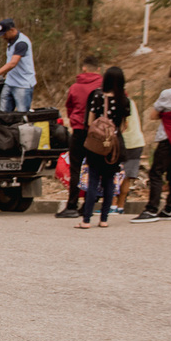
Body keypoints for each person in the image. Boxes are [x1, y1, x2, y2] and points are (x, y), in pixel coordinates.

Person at [133, 62, 171, 223]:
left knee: (156, 172)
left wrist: (165, 115)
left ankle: (151, 209)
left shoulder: (167, 94)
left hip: (167, 137)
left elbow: (153, 115)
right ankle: (170, 208)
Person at [78, 67, 130, 229]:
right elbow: (124, 126)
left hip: (96, 145)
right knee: (109, 182)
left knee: (93, 180)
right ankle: (104, 219)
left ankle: (86, 220)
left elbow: (89, 121)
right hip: (114, 147)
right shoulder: (124, 100)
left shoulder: (97, 96)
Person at [56, 56, 103, 219]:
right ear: (98, 69)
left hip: (78, 130)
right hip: (98, 132)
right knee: (95, 167)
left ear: (84, 68)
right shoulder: (103, 86)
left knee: (76, 167)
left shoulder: (75, 87)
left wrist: (74, 121)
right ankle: (89, 203)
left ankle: (72, 204)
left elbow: (69, 107)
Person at [0, 18, 36, 112]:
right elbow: (9, 61)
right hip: (10, 82)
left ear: (12, 30)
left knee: (22, 113)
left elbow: (13, 63)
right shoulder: (10, 41)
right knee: (4, 111)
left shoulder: (21, 43)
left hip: (23, 84)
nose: (3, 37)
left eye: (5, 34)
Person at [112, 96, 146, 215]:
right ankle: (120, 206)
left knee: (114, 174)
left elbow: (123, 124)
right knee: (126, 177)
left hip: (123, 142)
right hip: (137, 141)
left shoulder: (117, 101)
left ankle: (112, 205)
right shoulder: (130, 101)